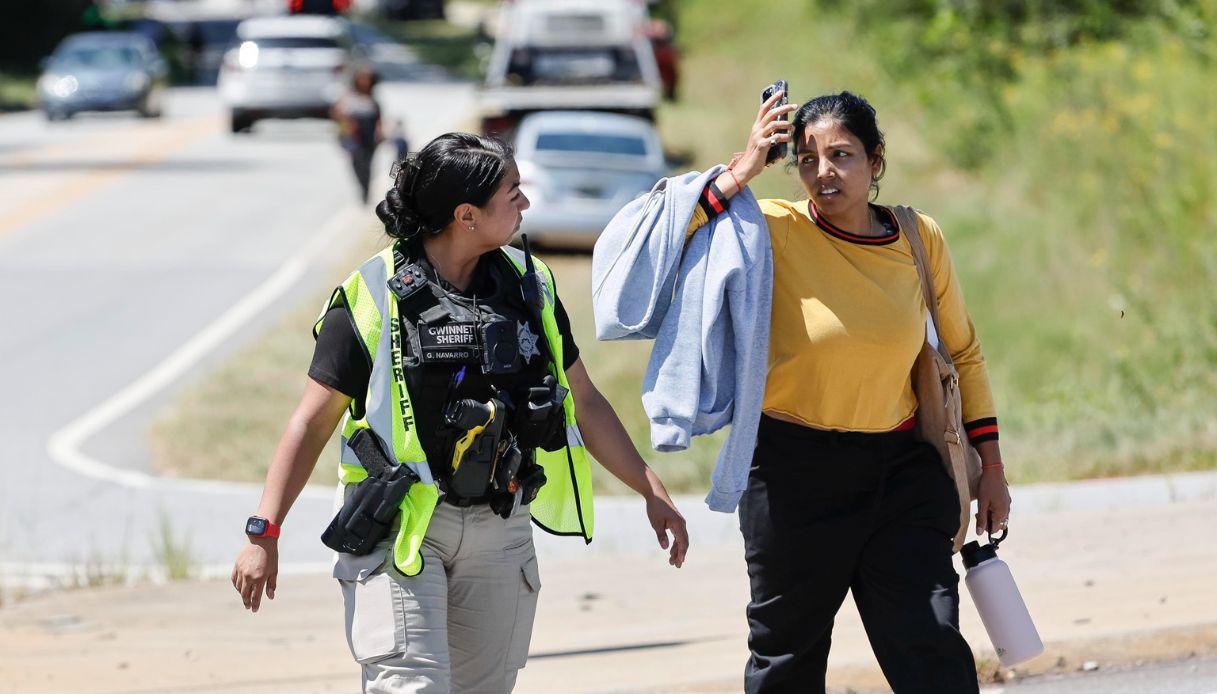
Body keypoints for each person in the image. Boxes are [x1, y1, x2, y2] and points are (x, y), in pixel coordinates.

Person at [231, 132, 689, 693]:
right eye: (513, 191)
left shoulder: (532, 285)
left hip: (502, 527)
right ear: (466, 215)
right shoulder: (373, 293)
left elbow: (584, 400)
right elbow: (311, 421)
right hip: (401, 528)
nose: (526, 203)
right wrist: (264, 531)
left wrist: (652, 490)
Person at [643, 90, 1011, 692]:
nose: (824, 173)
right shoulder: (772, 228)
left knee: (934, 652)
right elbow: (663, 239)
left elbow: (963, 352)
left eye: (841, 155)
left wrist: (990, 465)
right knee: (785, 661)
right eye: (808, 159)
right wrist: (744, 169)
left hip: (902, 477)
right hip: (793, 477)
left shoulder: (919, 238)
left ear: (876, 160)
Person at [331, 66, 384, 203]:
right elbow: (337, 114)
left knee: (368, 164)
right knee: (356, 163)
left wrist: (380, 132)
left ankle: (366, 190)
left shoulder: (373, 99)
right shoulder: (348, 97)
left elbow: (378, 119)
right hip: (354, 137)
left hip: (369, 136)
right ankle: (362, 188)